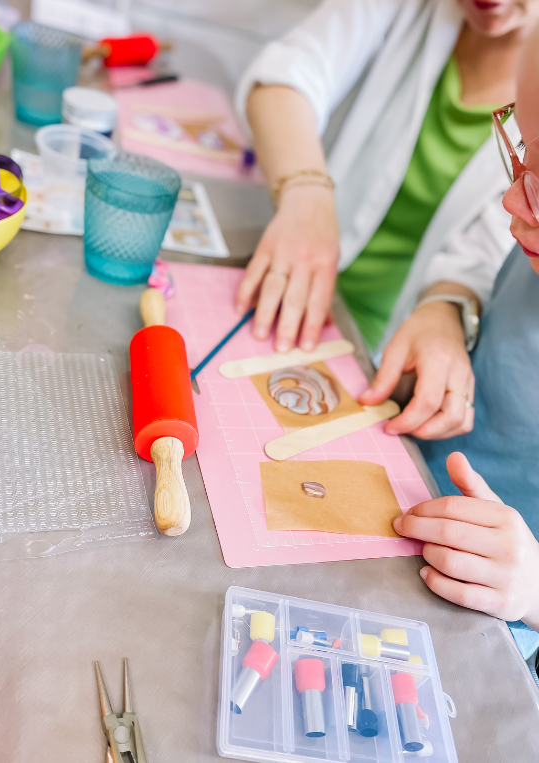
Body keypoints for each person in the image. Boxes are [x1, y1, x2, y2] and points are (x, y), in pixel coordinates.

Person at [236, 0, 538, 442]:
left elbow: (479, 258)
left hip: (390, 355)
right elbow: (287, 75)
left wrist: (447, 308)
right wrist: (306, 193)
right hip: (302, 288)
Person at [394, 27, 539, 656]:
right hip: (407, 517)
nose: (512, 196)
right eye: (522, 152)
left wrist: (533, 590)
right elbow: (475, 254)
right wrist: (444, 309)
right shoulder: (523, 227)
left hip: (486, 631)